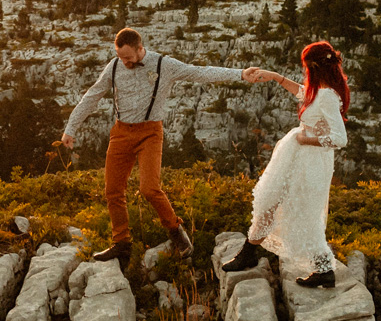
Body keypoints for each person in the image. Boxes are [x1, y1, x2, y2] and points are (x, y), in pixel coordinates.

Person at [62, 27, 253, 263]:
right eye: (120, 57)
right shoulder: (114, 67)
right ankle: (121, 244)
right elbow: (92, 96)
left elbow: (200, 73)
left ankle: (176, 231)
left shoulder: (164, 65)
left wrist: (240, 74)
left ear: (140, 49)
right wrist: (71, 128)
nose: (124, 62)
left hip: (150, 132)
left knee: (149, 188)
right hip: (121, 132)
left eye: (128, 57)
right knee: (113, 191)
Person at [235, 40, 350, 288]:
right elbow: (302, 92)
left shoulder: (329, 96)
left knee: (303, 212)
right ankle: (248, 251)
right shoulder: (320, 90)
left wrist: (305, 138)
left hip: (310, 160)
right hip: (297, 155)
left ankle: (323, 268)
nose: (305, 73)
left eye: (307, 68)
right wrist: (276, 77)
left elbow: (340, 138)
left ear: (315, 68)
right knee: (269, 198)